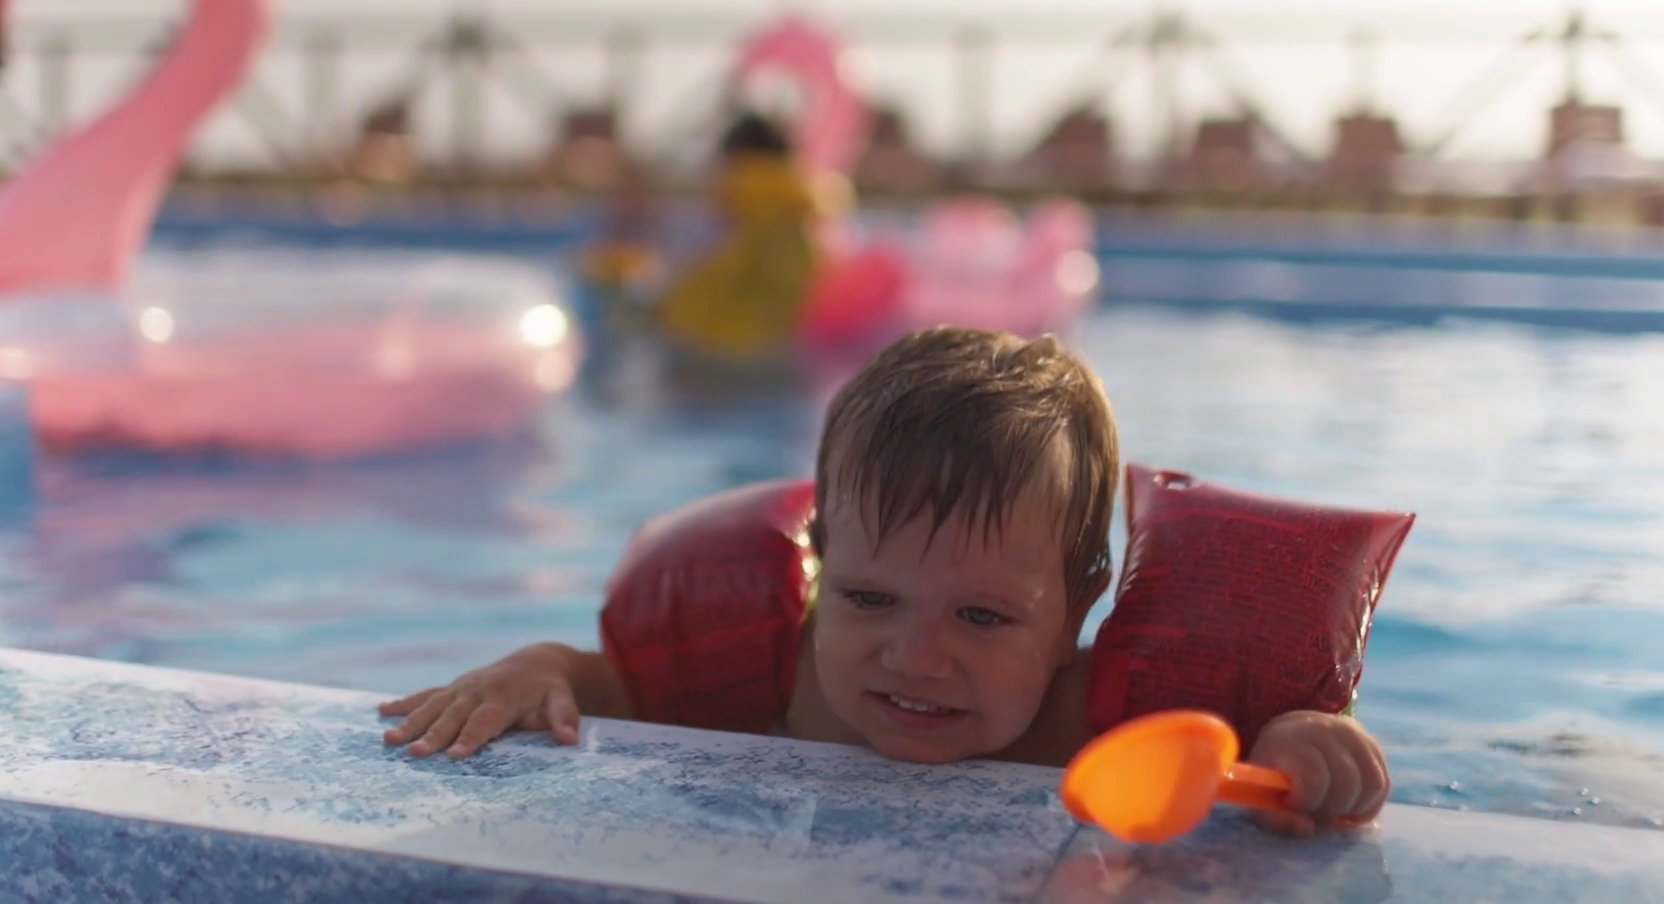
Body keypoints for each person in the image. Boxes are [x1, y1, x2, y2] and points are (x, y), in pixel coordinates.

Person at [380, 327, 1390, 836]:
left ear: (1081, 607)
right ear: (820, 561)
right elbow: (599, 686)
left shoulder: (1112, 724)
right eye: (868, 599)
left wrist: (1302, 747)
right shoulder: (776, 675)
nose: (917, 657)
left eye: (983, 615)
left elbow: (1250, 770)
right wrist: (537, 670)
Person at [652, 111, 830, 361]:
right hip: (793, 344)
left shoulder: (738, 194)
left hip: (723, 344)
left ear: (733, 155)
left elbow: (710, 272)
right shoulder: (810, 198)